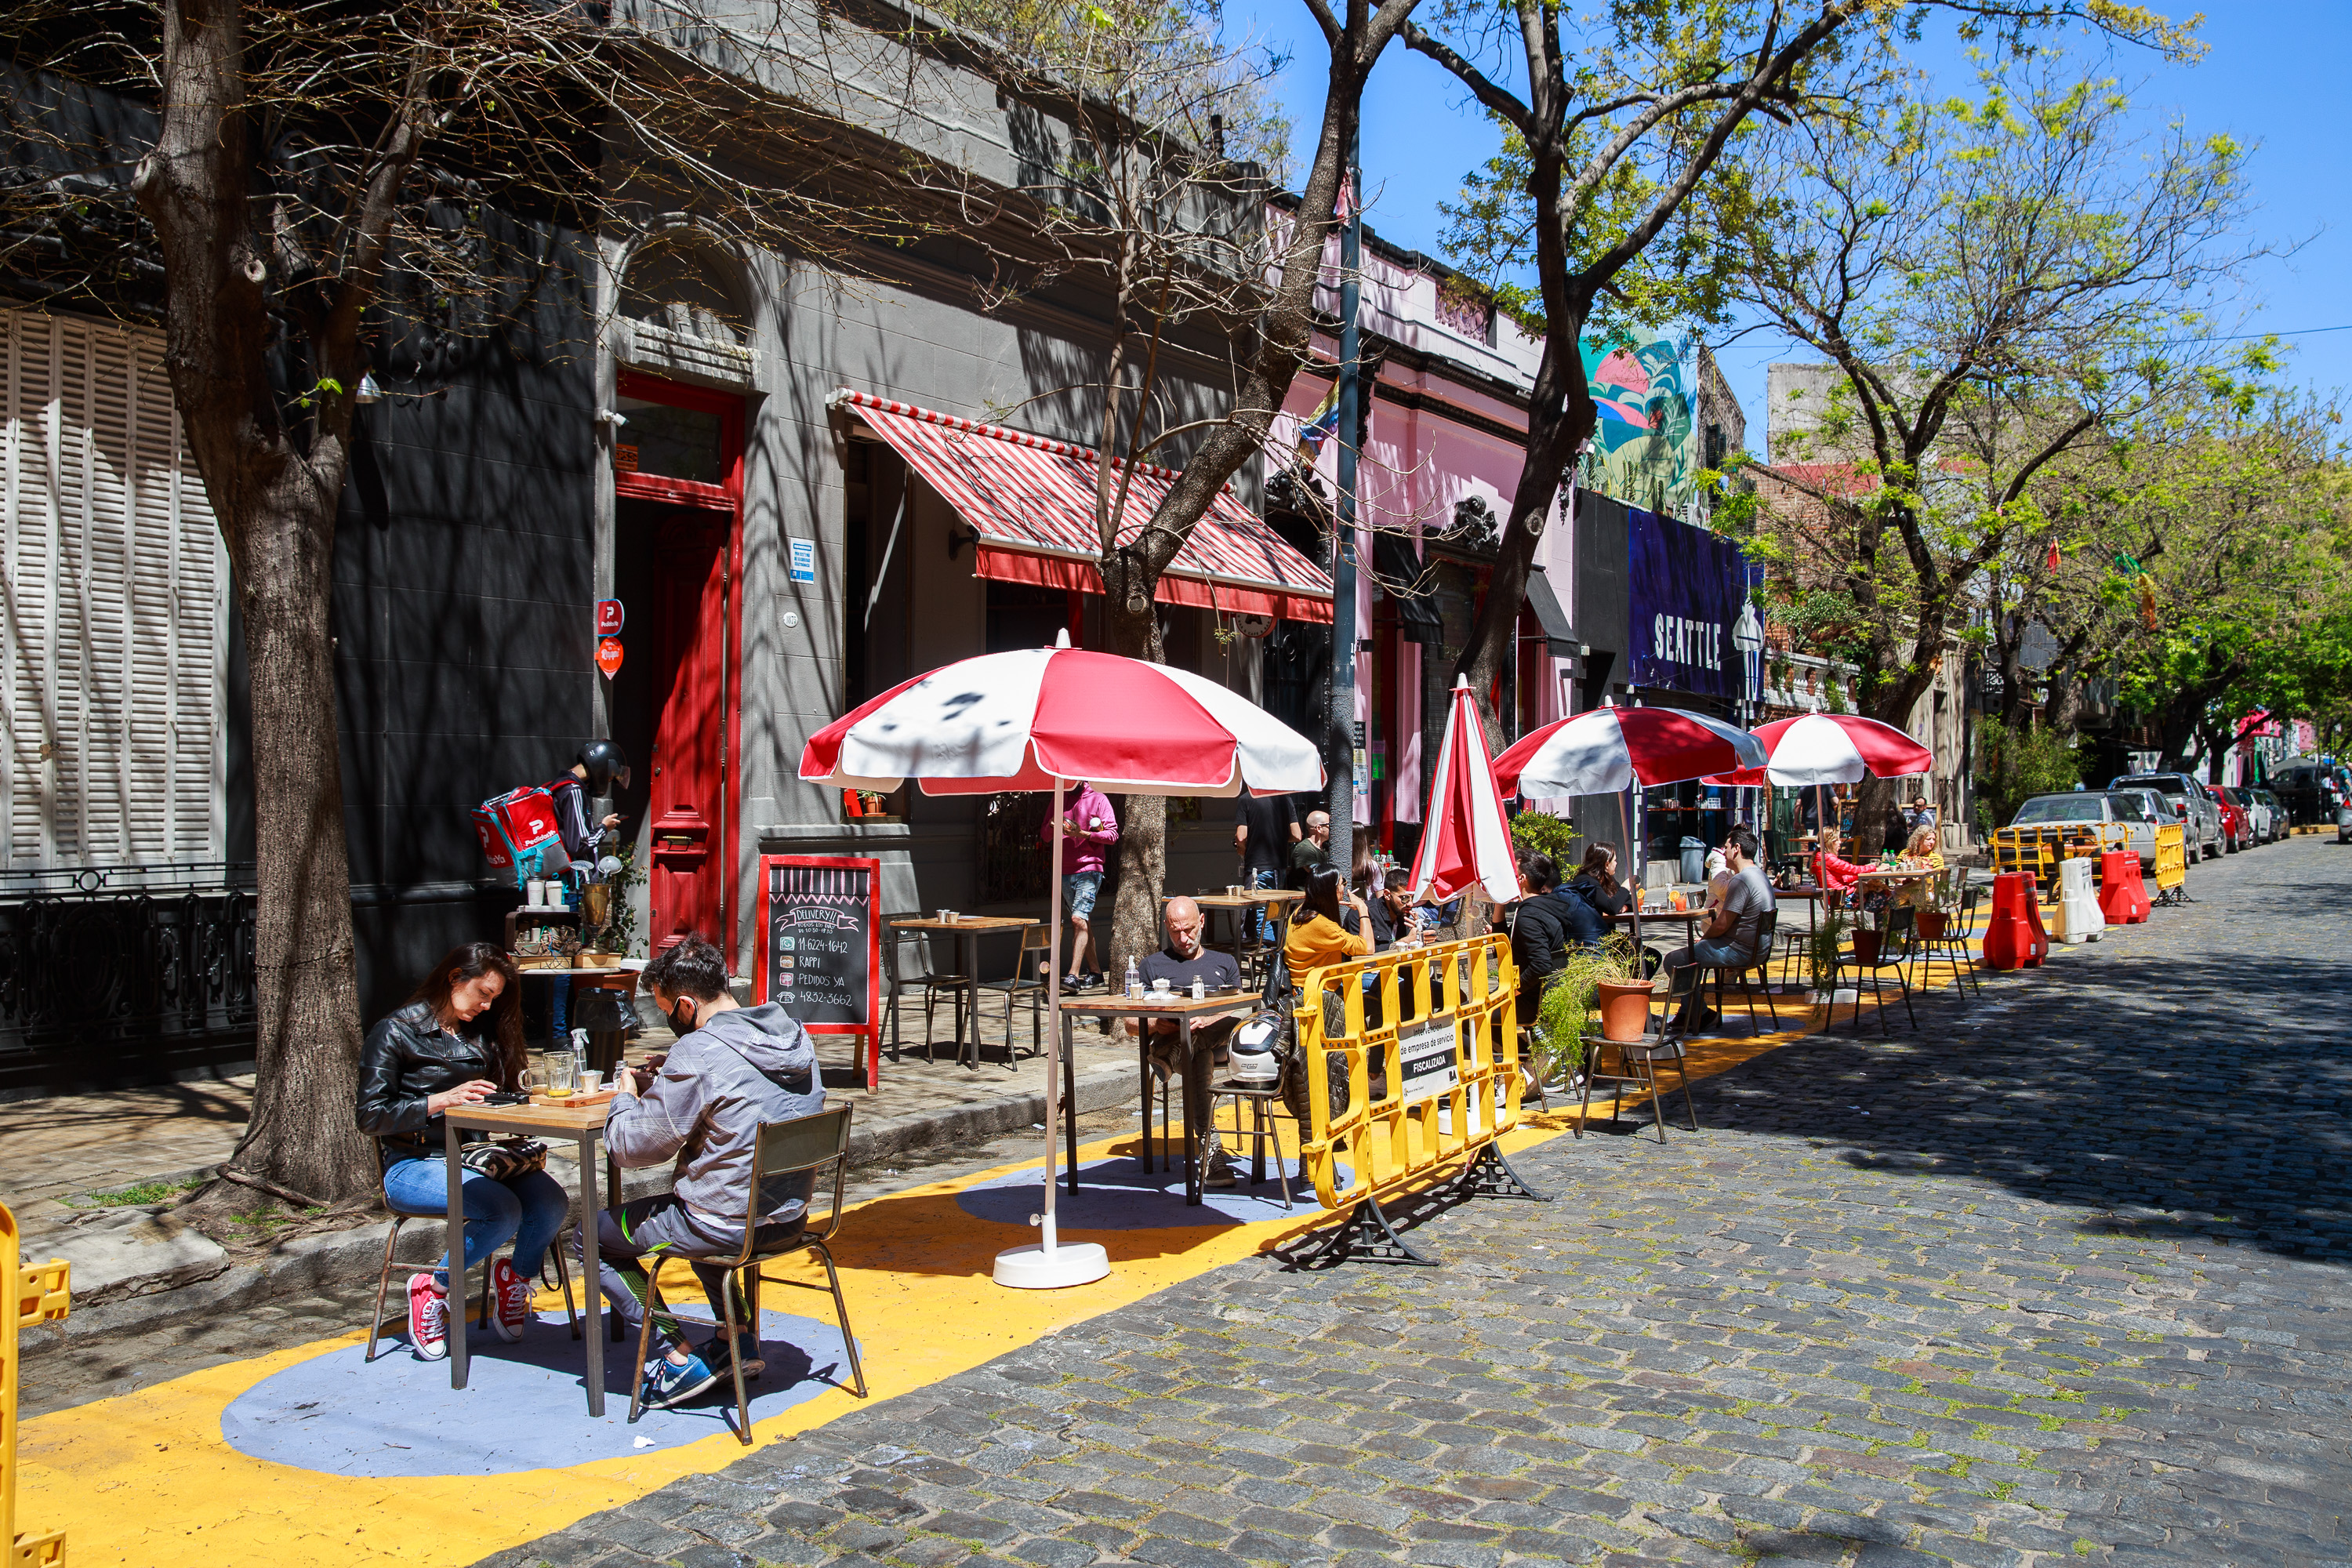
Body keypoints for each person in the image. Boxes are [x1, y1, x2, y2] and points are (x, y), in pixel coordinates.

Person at [592, 934, 824, 1410]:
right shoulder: (795, 1036)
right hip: (789, 1218)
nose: (668, 1021)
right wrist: (672, 1081)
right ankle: (736, 1340)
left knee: (591, 1238)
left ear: (683, 1003)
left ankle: (675, 1356)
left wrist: (626, 1096)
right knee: (701, 1199)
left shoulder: (698, 1052)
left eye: (664, 1011)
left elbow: (631, 1148)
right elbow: (743, 1098)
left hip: (725, 1226)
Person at [356, 942, 569, 1361]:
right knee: (503, 1210)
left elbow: (502, 1095)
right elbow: (370, 1116)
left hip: (476, 1157)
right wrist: (441, 1100)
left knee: (551, 1202)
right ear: (455, 978)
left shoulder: (480, 1034)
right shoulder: (396, 1031)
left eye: (495, 998)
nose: (488, 1007)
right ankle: (432, 1290)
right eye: (484, 994)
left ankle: (515, 1278)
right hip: (413, 1164)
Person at [1134, 898, 1248, 1188]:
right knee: (1200, 1055)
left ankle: (1175, 1052)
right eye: (1175, 932)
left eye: (1188, 930)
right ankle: (1212, 1154)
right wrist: (1156, 1024)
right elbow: (1130, 1024)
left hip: (1216, 1039)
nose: (1183, 939)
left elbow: (1243, 1009)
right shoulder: (1152, 965)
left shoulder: (1225, 963)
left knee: (1210, 1033)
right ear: (1166, 928)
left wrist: (1209, 1020)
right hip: (1180, 1045)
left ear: (1202, 923)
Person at [1661, 829, 1776, 1033]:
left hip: (1740, 950)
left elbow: (1722, 924)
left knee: (1673, 960)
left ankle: (1701, 1013)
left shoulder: (1742, 880)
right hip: (1759, 949)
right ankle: (1689, 1013)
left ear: (1737, 849)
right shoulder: (1761, 875)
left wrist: (1703, 939)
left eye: (1727, 847)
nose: (1724, 851)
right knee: (1688, 957)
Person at [1041, 782, 1118, 989]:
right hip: (1064, 871)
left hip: (1090, 870)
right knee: (1083, 922)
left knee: (1077, 918)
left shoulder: (1099, 798)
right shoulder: (1059, 798)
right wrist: (1052, 825)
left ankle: (1073, 977)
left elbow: (1112, 835)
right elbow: (1045, 835)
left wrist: (1082, 834)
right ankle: (1096, 972)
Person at [552, 739, 631, 867]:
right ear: (602, 767)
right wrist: (604, 828)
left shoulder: (560, 784)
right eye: (610, 778)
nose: (608, 781)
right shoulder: (574, 791)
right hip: (575, 878)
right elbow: (579, 845)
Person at [1283, 862, 1371, 975]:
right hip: (1320, 988)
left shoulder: (1300, 910)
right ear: (1332, 890)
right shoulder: (1321, 924)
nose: (1345, 886)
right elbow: (1368, 948)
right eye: (1342, 883)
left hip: (1304, 984)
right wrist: (1362, 908)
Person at [1566, 842, 1636, 917]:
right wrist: (1625, 888)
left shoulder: (1608, 879)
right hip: (1591, 928)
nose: (1616, 863)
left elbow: (1631, 900)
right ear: (1606, 864)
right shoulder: (1586, 882)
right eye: (1614, 860)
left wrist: (1623, 908)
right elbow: (1611, 908)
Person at [1290, 808, 1333, 876]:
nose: (1333, 828)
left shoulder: (1326, 847)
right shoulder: (1304, 849)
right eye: (1330, 824)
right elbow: (1318, 874)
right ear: (1319, 828)